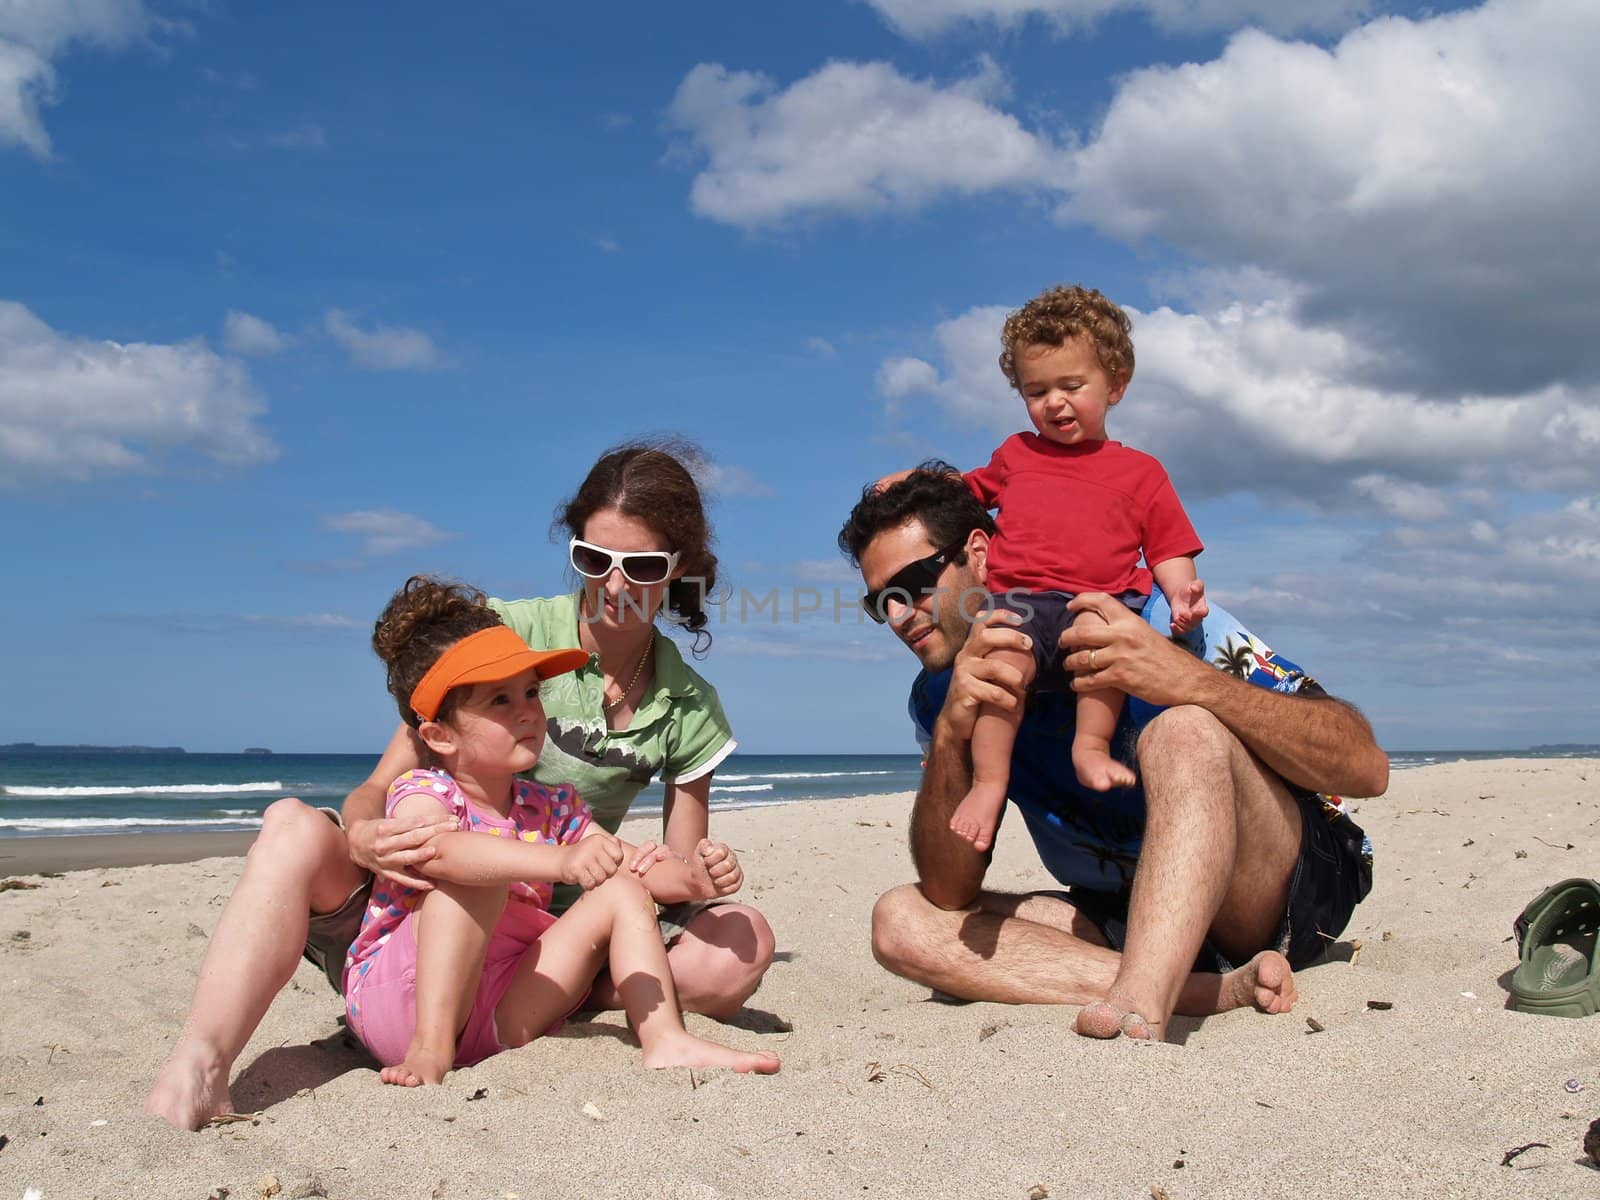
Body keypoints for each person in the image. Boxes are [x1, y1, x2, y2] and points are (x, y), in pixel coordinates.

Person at [145, 442, 775, 1129]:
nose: (616, 587)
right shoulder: (502, 639)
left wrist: (700, 877)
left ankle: (567, 999)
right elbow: (382, 791)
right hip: (416, 909)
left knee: (742, 944)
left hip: (548, 934)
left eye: (644, 567)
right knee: (296, 824)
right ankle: (200, 1062)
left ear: (679, 567)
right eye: (595, 562)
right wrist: (363, 832)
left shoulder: (685, 705)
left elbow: (668, 867)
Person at [838, 467, 1388, 1041]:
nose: (900, 616)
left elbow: (1367, 768)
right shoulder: (940, 695)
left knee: (1184, 731)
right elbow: (950, 891)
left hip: (1286, 890)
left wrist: (1188, 678)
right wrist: (952, 734)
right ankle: (1210, 991)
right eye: (882, 602)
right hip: (1127, 910)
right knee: (902, 920)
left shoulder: (1149, 620)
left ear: (978, 554)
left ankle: (1145, 996)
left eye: (914, 583)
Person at [347, 575, 777, 1084]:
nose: (528, 711)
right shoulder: (425, 790)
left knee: (621, 890)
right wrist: (561, 861)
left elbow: (626, 862)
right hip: (403, 1001)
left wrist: (693, 881)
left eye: (531, 692)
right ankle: (430, 1052)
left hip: (500, 1012)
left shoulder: (550, 805)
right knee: (474, 876)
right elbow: (441, 853)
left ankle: (664, 1037)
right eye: (500, 702)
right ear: (440, 736)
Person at [940, 285, 1209, 853]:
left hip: (1101, 598)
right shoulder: (1018, 453)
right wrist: (918, 488)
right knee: (1001, 667)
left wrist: (1183, 599)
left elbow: (1167, 549)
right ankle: (990, 783)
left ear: (1115, 383)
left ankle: (1091, 746)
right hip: (1021, 597)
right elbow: (966, 493)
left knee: (1103, 653)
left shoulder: (1141, 473)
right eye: (1036, 392)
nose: (1054, 403)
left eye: (1071, 386)